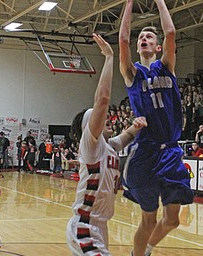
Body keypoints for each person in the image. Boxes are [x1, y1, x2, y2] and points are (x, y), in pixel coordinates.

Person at [119, 1, 193, 255]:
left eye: (149, 36)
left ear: (158, 46)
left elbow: (171, 32)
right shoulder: (131, 73)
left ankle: (148, 248)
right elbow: (122, 39)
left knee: (172, 219)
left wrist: (160, 1)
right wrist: (129, 4)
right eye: (140, 36)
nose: (143, 38)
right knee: (148, 220)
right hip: (146, 152)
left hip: (171, 152)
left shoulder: (167, 66)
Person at [66, 33, 147, 256]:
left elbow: (128, 135)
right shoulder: (91, 145)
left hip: (100, 227)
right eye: (99, 118)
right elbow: (102, 100)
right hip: (84, 226)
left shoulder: (109, 145)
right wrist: (110, 57)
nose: (107, 117)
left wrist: (139, 123)